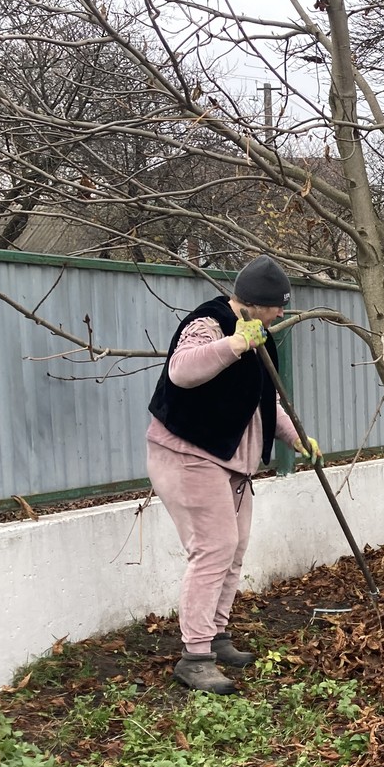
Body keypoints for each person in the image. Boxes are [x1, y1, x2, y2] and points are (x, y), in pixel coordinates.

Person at [145, 255, 320, 695]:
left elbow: (265, 402)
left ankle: (216, 636)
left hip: (232, 464)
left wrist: (298, 438)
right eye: (276, 306)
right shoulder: (208, 323)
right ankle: (194, 658)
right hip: (188, 454)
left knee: (234, 548)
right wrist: (235, 343)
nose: (280, 313)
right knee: (214, 548)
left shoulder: (261, 336)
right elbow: (181, 371)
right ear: (255, 302)